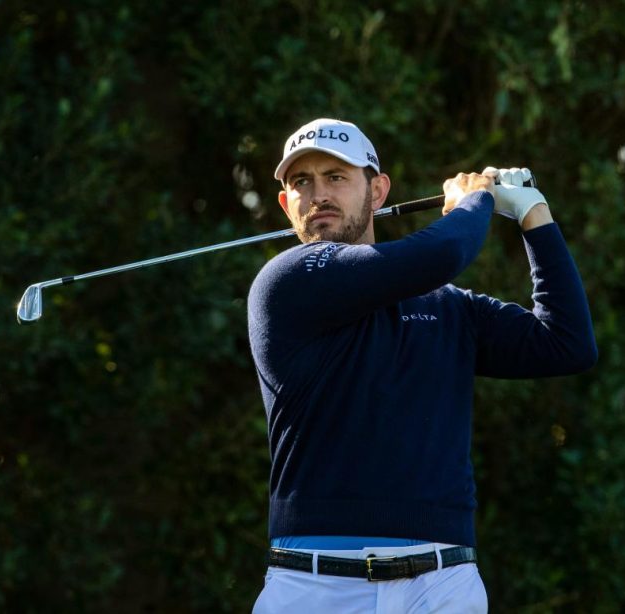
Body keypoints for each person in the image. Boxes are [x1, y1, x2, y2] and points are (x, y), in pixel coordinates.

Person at [247, 118, 597, 613]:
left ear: (378, 189)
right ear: (286, 204)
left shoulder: (448, 306)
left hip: (442, 585)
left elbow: (567, 343)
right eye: (301, 182)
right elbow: (441, 251)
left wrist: (534, 215)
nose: (319, 194)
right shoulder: (285, 282)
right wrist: (473, 199)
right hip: (315, 586)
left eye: (336, 177)